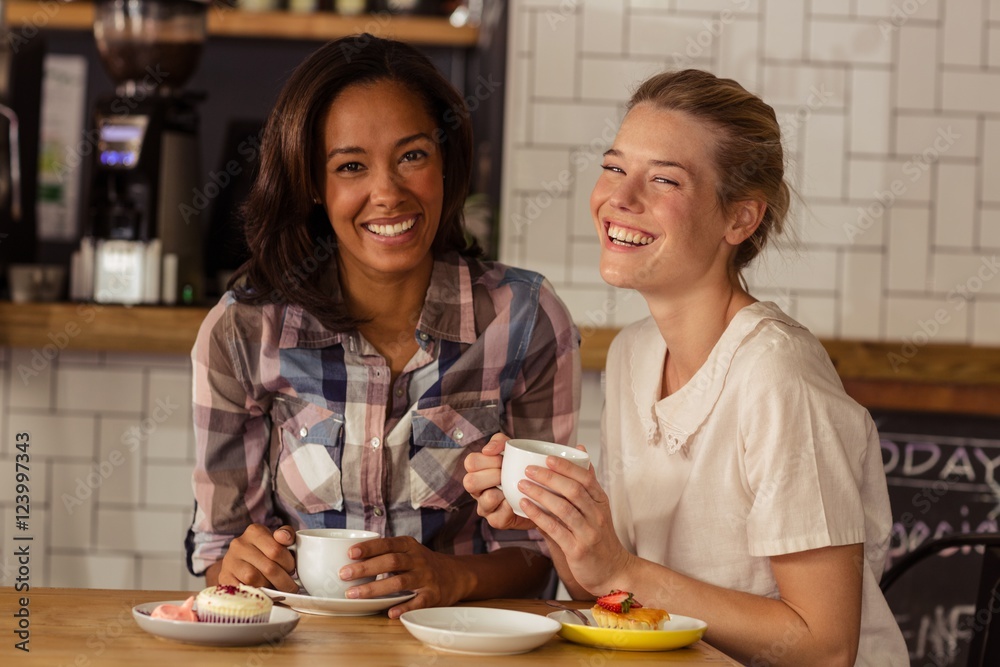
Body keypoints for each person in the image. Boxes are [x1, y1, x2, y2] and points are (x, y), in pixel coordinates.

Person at [464, 69, 908, 665]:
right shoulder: (632, 355)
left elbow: (825, 645)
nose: (620, 199)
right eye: (615, 167)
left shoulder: (777, 374)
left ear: (740, 220)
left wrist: (623, 568)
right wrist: (553, 521)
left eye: (664, 179)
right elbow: (617, 598)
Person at [186, 34, 581, 619]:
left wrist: (451, 579)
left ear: (447, 161)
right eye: (351, 166)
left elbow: (544, 552)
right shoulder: (244, 332)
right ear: (314, 188)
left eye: (413, 156)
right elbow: (218, 553)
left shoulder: (524, 319)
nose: (388, 193)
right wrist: (239, 568)